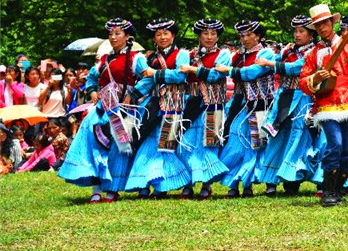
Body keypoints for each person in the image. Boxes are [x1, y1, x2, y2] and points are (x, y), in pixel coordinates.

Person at [58, 18, 152, 203]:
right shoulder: (104, 59)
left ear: (127, 36)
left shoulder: (136, 58)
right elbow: (92, 79)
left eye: (118, 33)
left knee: (120, 147)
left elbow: (148, 78)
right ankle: (96, 189)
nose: (113, 37)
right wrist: (92, 91)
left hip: (125, 109)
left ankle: (113, 189)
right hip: (102, 108)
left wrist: (132, 96)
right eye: (110, 34)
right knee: (91, 142)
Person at [299, 2, 348, 207]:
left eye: (325, 23)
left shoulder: (347, 42)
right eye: (319, 25)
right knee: (335, 144)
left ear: (332, 23)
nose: (323, 28)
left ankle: (338, 189)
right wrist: (315, 78)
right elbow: (303, 82)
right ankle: (327, 191)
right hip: (327, 104)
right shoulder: (313, 54)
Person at [126, 18, 192, 199]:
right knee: (148, 145)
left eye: (166, 33)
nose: (163, 37)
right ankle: (145, 183)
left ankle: (173, 184)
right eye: (158, 34)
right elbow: (147, 81)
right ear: (154, 38)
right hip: (154, 106)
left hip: (175, 104)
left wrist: (156, 73)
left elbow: (180, 76)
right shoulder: (151, 58)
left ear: (173, 35)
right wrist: (132, 96)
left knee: (167, 145)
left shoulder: (182, 55)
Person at [257, 15, 319, 196]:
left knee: (298, 136)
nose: (297, 35)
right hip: (284, 97)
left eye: (301, 31)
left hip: (303, 98)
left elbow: (299, 68)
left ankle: (292, 178)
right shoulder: (287, 51)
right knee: (276, 134)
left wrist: (270, 64)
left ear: (311, 34)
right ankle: (270, 180)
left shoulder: (314, 52)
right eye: (295, 31)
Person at [215, 20, 277, 198]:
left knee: (257, 145)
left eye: (249, 34)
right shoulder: (238, 57)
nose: (245, 38)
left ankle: (257, 184)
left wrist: (228, 70)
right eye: (242, 35)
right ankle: (234, 184)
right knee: (235, 143)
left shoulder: (266, 54)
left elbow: (251, 73)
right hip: (240, 104)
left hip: (261, 103)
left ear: (258, 36)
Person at [174, 18, 232, 199]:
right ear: (199, 35)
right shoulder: (188, 54)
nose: (209, 37)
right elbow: (179, 74)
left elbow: (215, 76)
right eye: (205, 33)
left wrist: (192, 69)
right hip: (191, 104)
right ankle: (188, 184)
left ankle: (206, 185)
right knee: (185, 144)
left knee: (210, 144)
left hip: (214, 104)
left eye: (213, 34)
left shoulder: (224, 55)